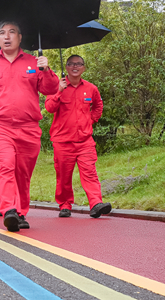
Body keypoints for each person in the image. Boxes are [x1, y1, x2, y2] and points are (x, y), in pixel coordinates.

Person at [0, 21, 59, 232]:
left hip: (28, 128)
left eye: (11, 32)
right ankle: (8, 208)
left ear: (20, 37)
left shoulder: (33, 62)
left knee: (23, 173)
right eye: (2, 33)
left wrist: (46, 69)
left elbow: (50, 89)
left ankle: (20, 212)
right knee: (6, 165)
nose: (6, 36)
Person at [44, 55, 112, 219]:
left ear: (84, 68)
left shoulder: (91, 88)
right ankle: (65, 205)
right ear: (66, 67)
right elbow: (49, 108)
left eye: (79, 64)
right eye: (72, 64)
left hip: (85, 141)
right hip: (62, 141)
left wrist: (91, 120)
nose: (75, 66)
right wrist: (59, 91)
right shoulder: (56, 87)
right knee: (63, 177)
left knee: (90, 173)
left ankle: (96, 204)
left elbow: (98, 105)